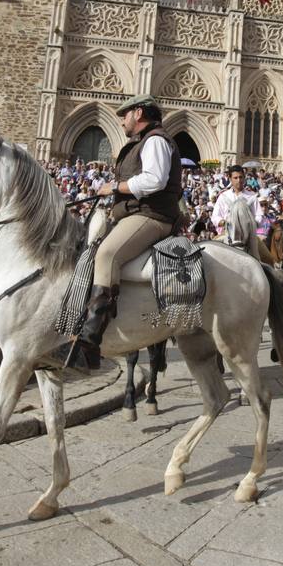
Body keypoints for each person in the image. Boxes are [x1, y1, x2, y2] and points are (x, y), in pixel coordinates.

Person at [55, 95, 182, 372]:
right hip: (135, 214)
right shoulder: (142, 142)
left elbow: (155, 180)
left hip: (153, 216)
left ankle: (90, 339)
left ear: (138, 113)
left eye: (125, 114)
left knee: (107, 254)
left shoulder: (156, 140)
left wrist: (115, 187)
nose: (122, 120)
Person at [212, 165, 260, 242]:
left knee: (264, 253)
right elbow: (215, 217)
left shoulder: (252, 196)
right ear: (230, 179)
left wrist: (252, 224)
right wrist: (224, 223)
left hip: (248, 236)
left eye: (241, 177)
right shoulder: (224, 196)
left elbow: (258, 215)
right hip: (226, 234)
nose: (239, 180)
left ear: (244, 178)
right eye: (235, 178)